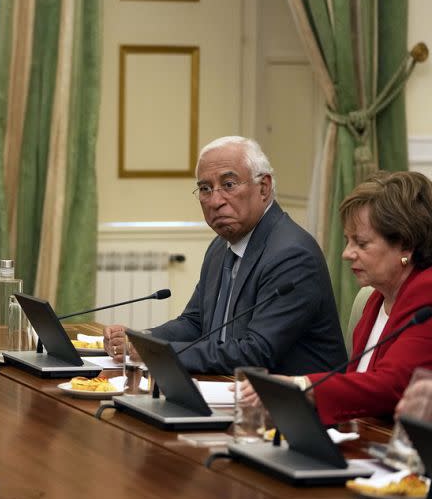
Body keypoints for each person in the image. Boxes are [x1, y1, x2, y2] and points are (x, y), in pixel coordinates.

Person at [103, 136, 346, 374]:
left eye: (228, 185)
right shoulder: (220, 247)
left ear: (264, 187)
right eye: (205, 189)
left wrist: (157, 353)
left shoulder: (292, 255)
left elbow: (256, 352)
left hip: (291, 408)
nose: (215, 200)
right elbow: (195, 323)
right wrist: (143, 340)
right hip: (229, 390)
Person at [245, 171, 432, 424]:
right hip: (364, 439)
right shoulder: (376, 299)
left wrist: (301, 385)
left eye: (361, 243)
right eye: (347, 241)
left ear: (406, 246)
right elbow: (357, 381)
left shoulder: (426, 292)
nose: (346, 253)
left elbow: (391, 385)